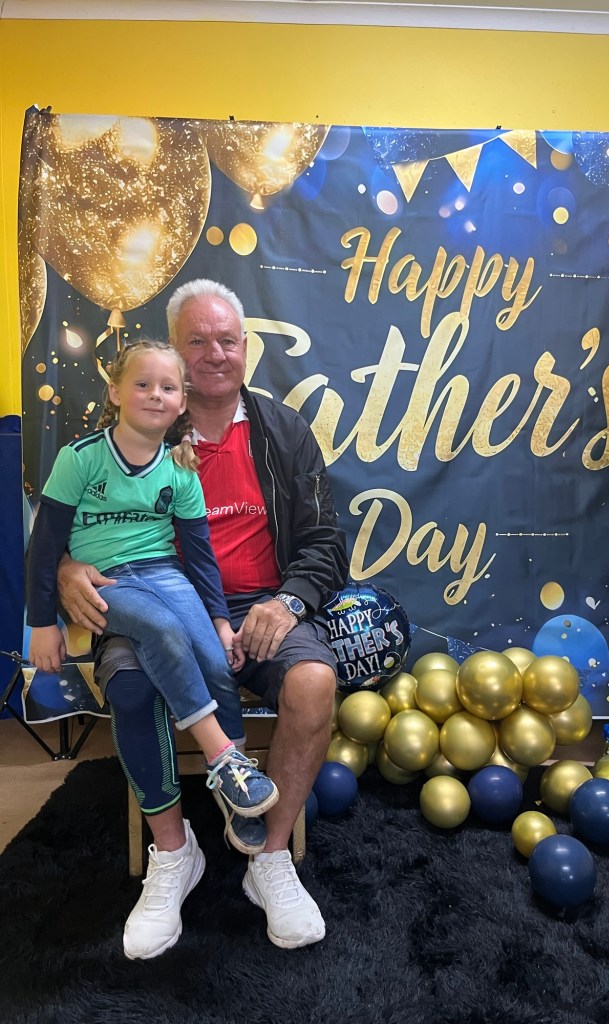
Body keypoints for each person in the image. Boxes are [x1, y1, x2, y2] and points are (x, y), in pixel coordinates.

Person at [58, 280, 349, 959]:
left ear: (246, 347)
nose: (215, 354)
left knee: (313, 681)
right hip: (153, 601)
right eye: (197, 341)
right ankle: (173, 853)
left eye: (227, 340)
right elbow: (66, 521)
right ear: (172, 350)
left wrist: (288, 602)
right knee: (130, 686)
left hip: (262, 604)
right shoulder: (135, 427)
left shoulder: (284, 431)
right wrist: (68, 568)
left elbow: (325, 542)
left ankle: (269, 857)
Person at [26, 340, 279, 831]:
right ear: (115, 392)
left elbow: (200, 559)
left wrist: (220, 623)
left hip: (166, 573)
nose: (155, 395)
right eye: (142, 384)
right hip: (108, 580)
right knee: (161, 627)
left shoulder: (181, 470)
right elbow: (45, 545)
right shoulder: (80, 459)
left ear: (182, 402)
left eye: (168, 387)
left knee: (215, 663)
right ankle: (223, 758)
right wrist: (42, 623)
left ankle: (238, 799)